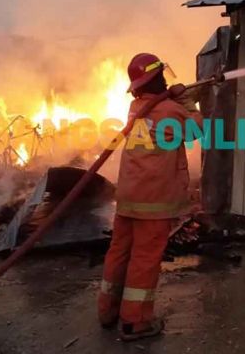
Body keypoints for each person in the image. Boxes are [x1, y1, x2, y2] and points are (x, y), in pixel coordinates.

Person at [98, 53, 202, 341]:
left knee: (119, 252)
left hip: (129, 197)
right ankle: (135, 322)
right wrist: (188, 100)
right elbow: (196, 131)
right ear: (156, 79)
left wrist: (177, 99)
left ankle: (108, 311)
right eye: (162, 76)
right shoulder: (168, 110)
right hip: (153, 201)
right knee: (145, 259)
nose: (166, 80)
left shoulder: (137, 107)